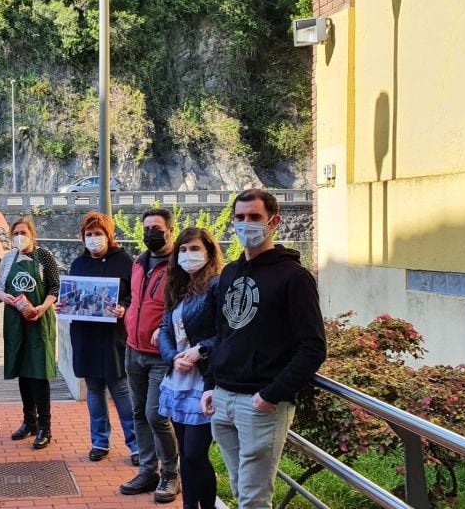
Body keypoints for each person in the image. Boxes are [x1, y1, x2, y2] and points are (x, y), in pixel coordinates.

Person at [199, 189, 327, 509]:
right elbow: (224, 333)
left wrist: (272, 394)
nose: (246, 224)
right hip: (224, 398)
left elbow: (313, 346)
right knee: (240, 489)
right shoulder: (229, 273)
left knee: (255, 498)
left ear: (274, 222)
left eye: (254, 217)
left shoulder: (294, 278)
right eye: (240, 218)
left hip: (260, 404)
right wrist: (210, 384)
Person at [60, 212, 138, 464]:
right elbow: (71, 296)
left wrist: (123, 308)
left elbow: (134, 296)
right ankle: (100, 442)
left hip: (114, 335)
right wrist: (64, 305)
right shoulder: (78, 264)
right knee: (94, 389)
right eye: (89, 235)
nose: (93, 239)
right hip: (86, 335)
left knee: (121, 389)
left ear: (108, 235)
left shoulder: (124, 261)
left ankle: (136, 445)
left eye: (98, 234)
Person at [157, 227, 224, 509]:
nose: (188, 255)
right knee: (185, 453)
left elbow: (226, 331)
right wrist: (173, 357)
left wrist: (199, 351)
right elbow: (164, 328)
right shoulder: (177, 285)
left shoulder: (217, 285)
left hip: (204, 381)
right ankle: (188, 506)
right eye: (182, 250)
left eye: (195, 249)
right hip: (178, 379)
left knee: (196, 454)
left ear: (209, 252)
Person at [120, 208, 181, 503]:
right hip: (133, 349)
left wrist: (166, 330)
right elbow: (136, 300)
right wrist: (127, 314)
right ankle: (148, 471)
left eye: (156, 228)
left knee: (156, 415)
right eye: (146, 228)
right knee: (138, 413)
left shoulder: (178, 266)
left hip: (160, 354)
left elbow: (183, 307)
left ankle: (171, 473)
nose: (150, 233)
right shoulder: (139, 263)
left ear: (170, 230)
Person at [0, 216, 60, 450]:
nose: (20, 237)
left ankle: (45, 426)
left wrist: (42, 308)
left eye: (24, 232)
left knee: (39, 373)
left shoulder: (44, 257)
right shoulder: (8, 257)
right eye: (15, 233)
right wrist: (6, 298)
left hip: (38, 320)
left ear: (33, 234)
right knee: (23, 370)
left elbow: (54, 287)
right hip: (15, 321)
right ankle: (28, 421)